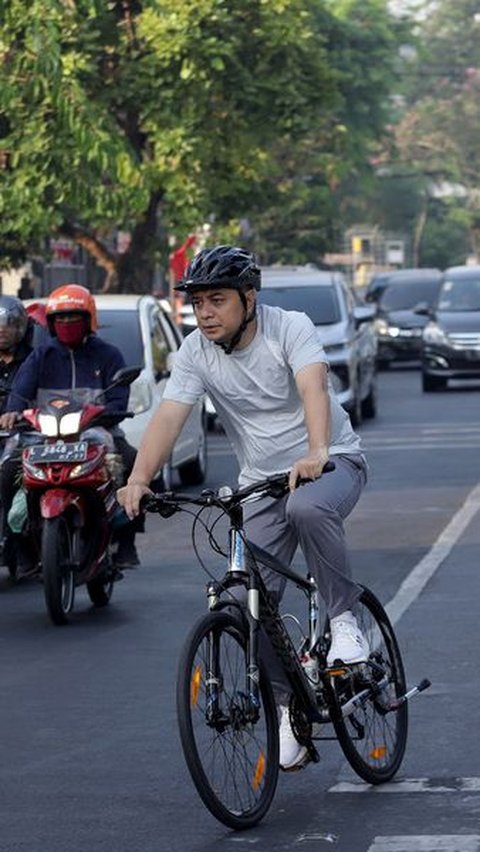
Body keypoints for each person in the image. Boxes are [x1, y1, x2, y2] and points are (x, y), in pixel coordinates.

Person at [118, 245, 368, 771]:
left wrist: (317, 451)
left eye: (217, 300)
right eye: (196, 303)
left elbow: (313, 387)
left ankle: (345, 620)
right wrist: (139, 479)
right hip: (261, 484)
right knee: (249, 604)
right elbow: (169, 416)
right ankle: (285, 711)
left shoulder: (290, 327)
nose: (205, 313)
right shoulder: (194, 351)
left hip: (331, 463)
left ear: (248, 299)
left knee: (306, 509)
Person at [0, 284, 142, 571]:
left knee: (134, 464)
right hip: (44, 435)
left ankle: (127, 541)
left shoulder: (108, 355)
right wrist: (12, 413)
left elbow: (118, 398)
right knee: (6, 474)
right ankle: (20, 546)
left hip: (96, 433)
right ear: (50, 323)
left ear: (88, 318)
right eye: (60, 319)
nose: (66, 324)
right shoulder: (40, 356)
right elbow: (19, 392)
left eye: (73, 317)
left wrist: (107, 413)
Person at [0, 296, 34, 573]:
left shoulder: (34, 359)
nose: (2, 330)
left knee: (11, 477)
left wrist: (22, 415)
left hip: (24, 435)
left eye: (8, 324)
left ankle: (20, 542)